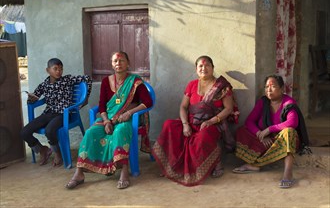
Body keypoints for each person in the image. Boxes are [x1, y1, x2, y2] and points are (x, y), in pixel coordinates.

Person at [66, 51, 153, 190]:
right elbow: (102, 105)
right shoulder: (106, 81)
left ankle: (124, 170)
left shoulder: (135, 82)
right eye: (115, 61)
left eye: (122, 60)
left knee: (120, 131)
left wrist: (129, 112)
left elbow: (148, 102)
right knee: (91, 133)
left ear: (128, 63)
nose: (118, 63)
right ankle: (79, 173)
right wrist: (106, 121)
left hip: (126, 118)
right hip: (108, 117)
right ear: (112, 64)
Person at [152, 55, 238, 187]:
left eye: (207, 65)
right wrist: (185, 124)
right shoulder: (192, 84)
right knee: (169, 125)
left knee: (203, 136)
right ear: (196, 69)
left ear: (213, 68)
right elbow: (183, 107)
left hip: (212, 123)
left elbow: (228, 108)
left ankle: (215, 162)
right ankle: (172, 166)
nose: (204, 68)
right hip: (191, 121)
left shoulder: (222, 86)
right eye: (200, 66)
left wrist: (211, 121)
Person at [233, 74, 310, 188]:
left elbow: (292, 123)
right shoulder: (263, 102)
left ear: (282, 88)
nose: (268, 90)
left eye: (273, 86)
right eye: (266, 87)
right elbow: (249, 121)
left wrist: (269, 129)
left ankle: (287, 173)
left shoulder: (288, 103)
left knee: (289, 132)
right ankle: (254, 165)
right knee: (241, 131)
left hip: (281, 141)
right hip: (265, 140)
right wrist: (260, 134)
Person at [20, 58, 92, 167]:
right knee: (24, 132)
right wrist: (31, 98)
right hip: (49, 114)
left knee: (50, 131)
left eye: (61, 69)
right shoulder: (44, 84)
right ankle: (42, 150)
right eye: (55, 69)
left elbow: (87, 78)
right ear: (48, 70)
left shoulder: (67, 80)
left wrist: (86, 97)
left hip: (64, 114)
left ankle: (57, 153)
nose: (59, 71)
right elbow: (34, 99)